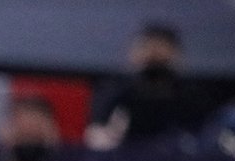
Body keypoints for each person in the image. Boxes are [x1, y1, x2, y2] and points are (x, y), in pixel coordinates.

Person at [86, 22, 212, 151]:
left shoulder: (191, 94)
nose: (155, 55)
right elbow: (97, 133)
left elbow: (201, 137)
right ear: (134, 53)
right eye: (147, 49)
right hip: (125, 160)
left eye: (162, 50)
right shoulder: (114, 90)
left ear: (176, 55)